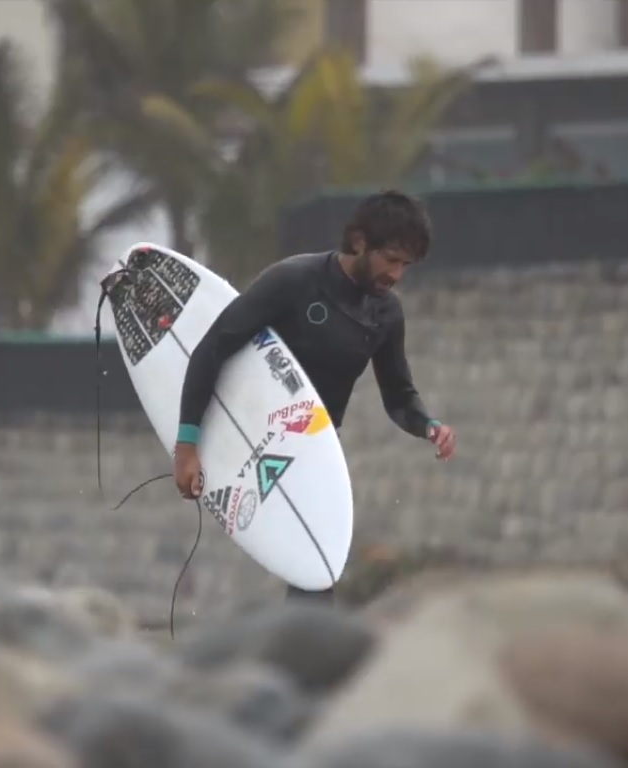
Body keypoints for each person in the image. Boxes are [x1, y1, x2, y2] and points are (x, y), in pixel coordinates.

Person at [172, 189, 457, 602]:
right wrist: (187, 443)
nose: (396, 275)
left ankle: (306, 653)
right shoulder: (294, 281)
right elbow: (214, 347)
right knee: (311, 572)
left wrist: (428, 425)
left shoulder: (386, 315)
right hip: (250, 431)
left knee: (319, 569)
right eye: (390, 260)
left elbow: (398, 395)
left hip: (315, 451)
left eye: (405, 266)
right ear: (359, 241)